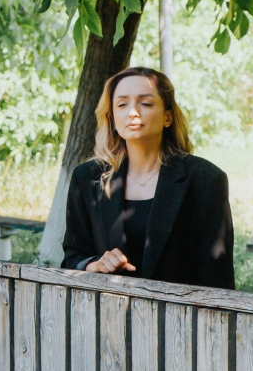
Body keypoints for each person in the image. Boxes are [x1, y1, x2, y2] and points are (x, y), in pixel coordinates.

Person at [61, 67, 236, 289]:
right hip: (106, 307)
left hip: (180, 309)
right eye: (122, 104)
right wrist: (94, 265)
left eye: (145, 103)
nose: (133, 112)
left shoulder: (205, 180)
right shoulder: (88, 178)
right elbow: (73, 258)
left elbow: (218, 277)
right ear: (112, 117)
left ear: (167, 117)